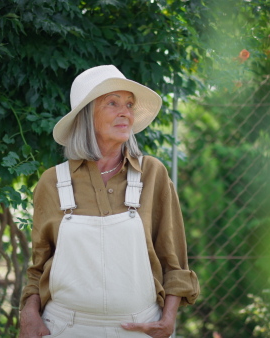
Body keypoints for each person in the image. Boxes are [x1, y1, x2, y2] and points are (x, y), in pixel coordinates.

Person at [19, 65, 199, 338]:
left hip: (140, 328)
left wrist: (168, 320)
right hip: (64, 328)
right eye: (112, 103)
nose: (125, 112)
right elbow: (39, 268)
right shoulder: (52, 182)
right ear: (86, 116)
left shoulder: (152, 175)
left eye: (128, 104)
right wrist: (29, 315)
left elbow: (174, 264)